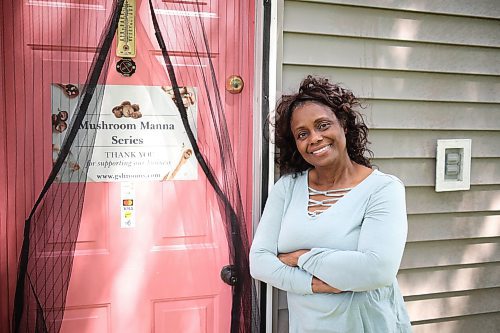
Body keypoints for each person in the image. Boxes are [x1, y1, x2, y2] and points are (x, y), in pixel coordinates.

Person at [250, 76, 412, 332]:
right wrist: (317, 284)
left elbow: (377, 270)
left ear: (344, 125)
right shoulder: (288, 188)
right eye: (302, 134)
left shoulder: (382, 189)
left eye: (323, 125)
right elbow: (259, 262)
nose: (314, 138)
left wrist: (302, 257)